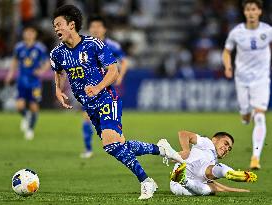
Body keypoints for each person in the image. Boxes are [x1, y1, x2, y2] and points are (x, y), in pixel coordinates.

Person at [50, 5, 183, 200]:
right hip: (89, 106)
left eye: (59, 24)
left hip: (106, 99)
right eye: (54, 25)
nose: (56, 28)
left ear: (72, 25)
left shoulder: (94, 44)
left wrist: (98, 87)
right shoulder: (57, 53)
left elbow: (114, 71)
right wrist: (58, 89)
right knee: (119, 145)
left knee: (111, 143)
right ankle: (161, 149)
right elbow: (59, 72)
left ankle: (146, 181)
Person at [222, 0, 272, 169]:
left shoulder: (268, 31)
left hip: (261, 79)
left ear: (259, 11)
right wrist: (228, 66)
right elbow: (227, 51)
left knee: (259, 116)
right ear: (244, 12)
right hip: (242, 79)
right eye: (248, 9)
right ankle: (246, 113)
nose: (251, 12)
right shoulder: (237, 32)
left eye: (254, 9)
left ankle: (255, 157)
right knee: (245, 117)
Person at [80, 15, 129, 158]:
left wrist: (120, 76)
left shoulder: (112, 46)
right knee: (86, 117)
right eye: (93, 26)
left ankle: (121, 144)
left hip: (107, 88)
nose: (95, 29)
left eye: (98, 26)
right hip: (92, 88)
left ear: (104, 29)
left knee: (111, 122)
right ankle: (88, 149)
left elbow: (124, 61)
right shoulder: (84, 45)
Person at [170, 130, 257, 196]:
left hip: (183, 186)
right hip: (186, 173)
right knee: (216, 172)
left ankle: (184, 181)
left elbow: (212, 182)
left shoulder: (213, 159)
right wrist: (186, 151)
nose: (227, 149)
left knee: (212, 188)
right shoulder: (207, 143)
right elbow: (183, 133)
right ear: (214, 140)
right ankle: (228, 172)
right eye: (225, 143)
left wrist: (233, 190)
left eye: (229, 148)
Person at [5, 25, 50, 140]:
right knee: (19, 106)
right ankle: (26, 117)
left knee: (34, 107)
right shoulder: (19, 47)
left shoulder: (39, 48)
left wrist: (40, 71)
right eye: (27, 32)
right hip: (22, 81)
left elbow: (47, 63)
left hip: (34, 82)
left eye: (31, 32)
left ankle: (30, 129)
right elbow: (15, 61)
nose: (29, 34)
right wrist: (10, 74)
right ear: (24, 34)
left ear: (35, 34)